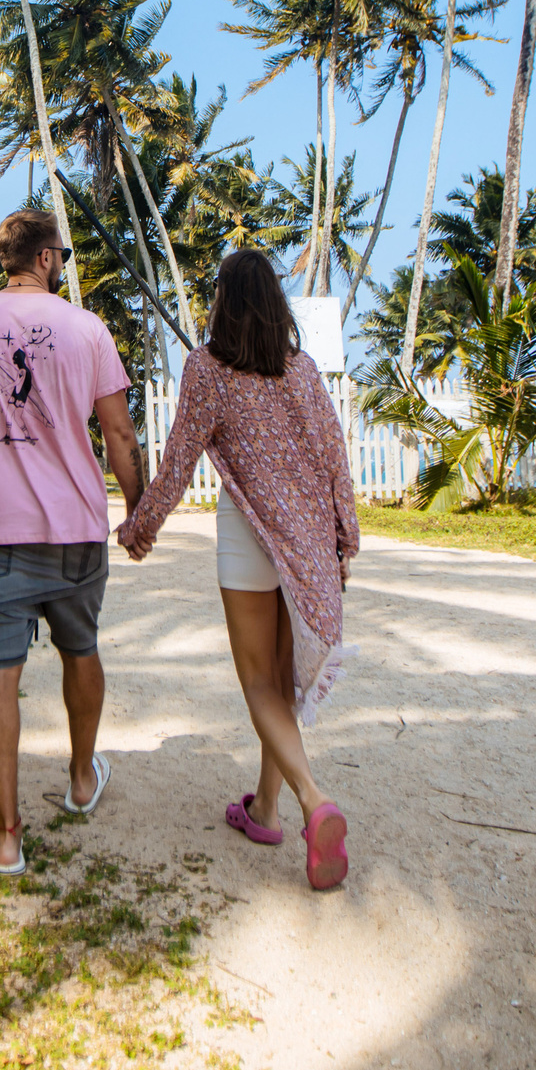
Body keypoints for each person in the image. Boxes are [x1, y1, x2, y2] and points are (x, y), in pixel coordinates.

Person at [0, 209, 147, 875]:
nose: (65, 264)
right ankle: (79, 776)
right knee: (82, 649)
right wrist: (137, 510)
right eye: (63, 255)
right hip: (75, 527)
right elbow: (120, 435)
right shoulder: (87, 328)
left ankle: (8, 835)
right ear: (45, 258)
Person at [116, 250, 360, 891]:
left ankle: (311, 801)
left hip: (249, 537)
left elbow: (178, 461)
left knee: (258, 683)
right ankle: (267, 809)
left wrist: (141, 527)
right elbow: (335, 454)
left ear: (223, 299)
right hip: (307, 542)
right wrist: (344, 537)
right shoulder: (302, 369)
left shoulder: (206, 368)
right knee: (280, 684)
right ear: (277, 304)